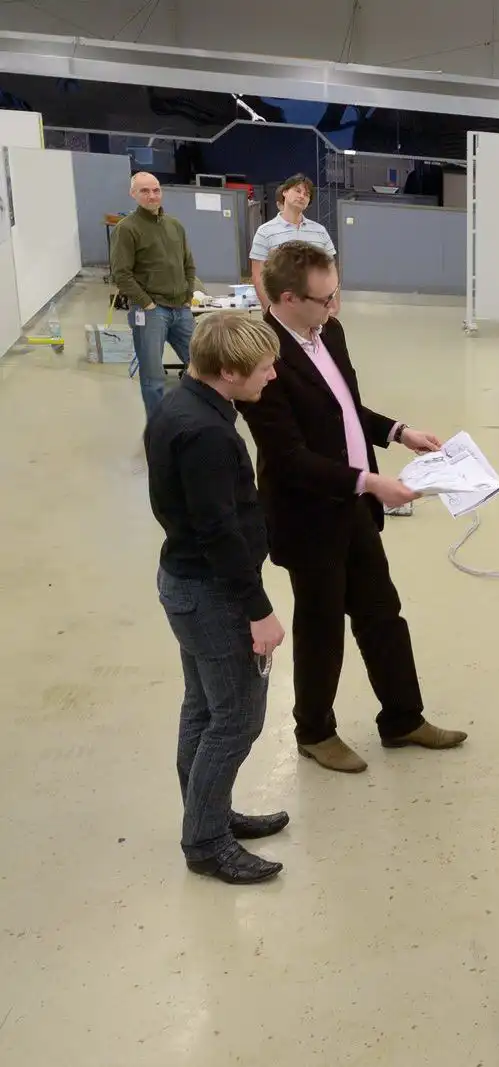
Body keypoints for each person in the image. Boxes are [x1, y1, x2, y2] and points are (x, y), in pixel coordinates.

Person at [237, 240, 466, 774]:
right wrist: (371, 482)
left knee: (382, 613)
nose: (334, 306)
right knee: (321, 628)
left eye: (335, 293)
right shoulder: (261, 359)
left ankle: (403, 718)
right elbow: (289, 458)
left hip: (353, 506)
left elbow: (343, 407)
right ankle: (314, 731)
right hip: (308, 517)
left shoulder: (329, 332)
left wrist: (398, 432)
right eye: (325, 299)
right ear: (288, 299)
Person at [144, 310, 289, 886]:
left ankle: (207, 814)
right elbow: (218, 532)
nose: (272, 375)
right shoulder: (207, 433)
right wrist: (259, 610)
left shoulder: (182, 405)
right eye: (264, 368)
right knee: (237, 720)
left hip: (186, 582)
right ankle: (205, 843)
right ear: (228, 371)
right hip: (213, 594)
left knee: (204, 709)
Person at [112, 171, 199, 422]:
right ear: (133, 194)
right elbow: (121, 274)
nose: (152, 195)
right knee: (153, 378)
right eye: (145, 191)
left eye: (156, 190)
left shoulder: (175, 225)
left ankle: (197, 419)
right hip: (150, 312)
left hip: (181, 309)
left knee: (202, 364)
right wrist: (147, 303)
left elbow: (188, 264)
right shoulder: (126, 229)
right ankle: (159, 429)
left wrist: (187, 296)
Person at [248, 174, 337, 314]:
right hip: (280, 306)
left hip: (314, 308)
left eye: (307, 194)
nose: (302, 196)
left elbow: (331, 269)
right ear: (285, 192)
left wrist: (334, 303)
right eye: (297, 191)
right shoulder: (265, 231)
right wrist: (271, 310)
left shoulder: (320, 231)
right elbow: (258, 275)